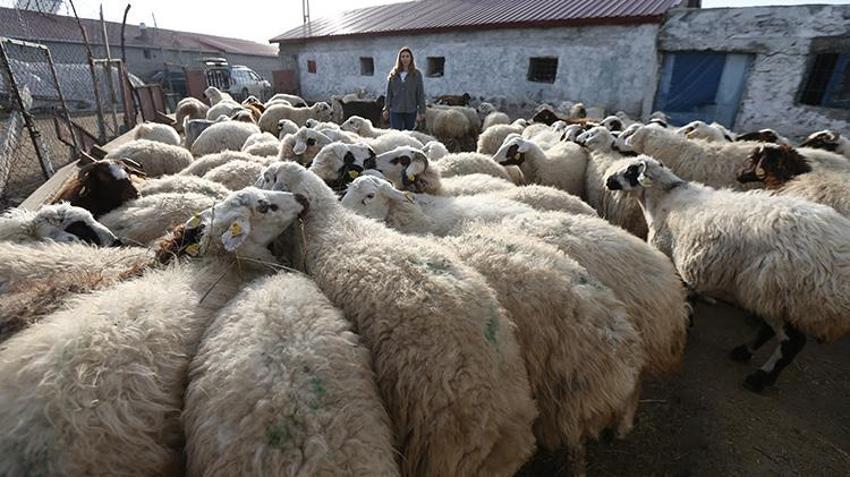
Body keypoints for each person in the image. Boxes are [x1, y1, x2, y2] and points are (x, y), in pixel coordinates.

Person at [383, 47, 425, 131]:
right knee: (396, 134)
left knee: (409, 135)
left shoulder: (416, 74)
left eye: (407, 56)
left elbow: (420, 93)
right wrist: (386, 108)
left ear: (411, 58)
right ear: (399, 59)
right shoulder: (394, 74)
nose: (405, 59)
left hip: (411, 109)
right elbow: (389, 93)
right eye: (403, 56)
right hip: (396, 110)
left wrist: (421, 110)